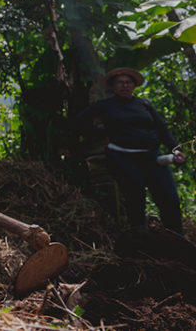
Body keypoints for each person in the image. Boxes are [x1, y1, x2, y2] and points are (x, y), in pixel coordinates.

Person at [79, 67, 186, 234]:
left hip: (152, 157)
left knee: (169, 198)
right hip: (122, 158)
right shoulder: (105, 105)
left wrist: (176, 149)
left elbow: (162, 128)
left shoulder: (144, 104)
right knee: (135, 198)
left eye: (128, 82)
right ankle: (139, 239)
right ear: (113, 86)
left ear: (134, 86)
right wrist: (103, 134)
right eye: (120, 82)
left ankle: (176, 238)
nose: (124, 86)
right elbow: (81, 121)